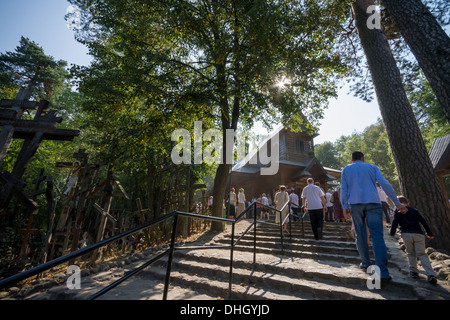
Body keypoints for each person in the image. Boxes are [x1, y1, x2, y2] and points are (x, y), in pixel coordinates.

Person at [340, 151, 407, 283]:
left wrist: (344, 206)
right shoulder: (372, 167)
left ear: (352, 159)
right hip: (373, 203)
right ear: (363, 158)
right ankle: (383, 271)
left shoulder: (346, 170)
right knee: (377, 236)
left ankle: (365, 263)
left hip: (355, 204)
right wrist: (397, 203)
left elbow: (344, 188)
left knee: (360, 234)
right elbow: (385, 184)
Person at [390, 196, 437, 284]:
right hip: (418, 234)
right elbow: (423, 222)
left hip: (406, 234)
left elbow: (395, 222)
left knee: (411, 253)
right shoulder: (415, 211)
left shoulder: (397, 211)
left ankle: (414, 272)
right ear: (408, 203)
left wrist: (392, 233)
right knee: (422, 254)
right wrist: (429, 233)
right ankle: (431, 274)